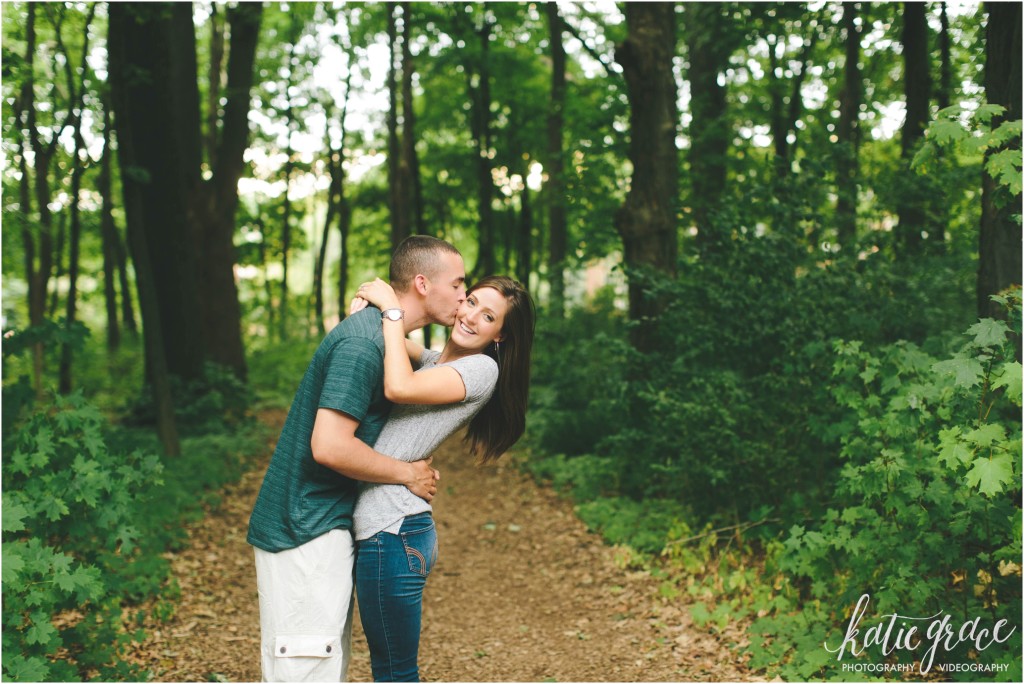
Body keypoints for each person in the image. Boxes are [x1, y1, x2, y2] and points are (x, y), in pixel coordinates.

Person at [246, 235, 468, 682]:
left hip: (323, 524)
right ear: (423, 284)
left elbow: (420, 364)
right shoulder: (364, 345)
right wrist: (407, 473)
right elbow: (328, 446)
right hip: (303, 528)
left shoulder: (379, 337)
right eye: (459, 284)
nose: (464, 295)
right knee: (307, 673)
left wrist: (387, 311)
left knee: (326, 668)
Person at [348, 274, 535, 682]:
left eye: (488, 316)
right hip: (391, 530)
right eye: (470, 302)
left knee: (395, 674)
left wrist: (392, 309)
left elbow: (398, 385)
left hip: (392, 533)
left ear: (500, 335)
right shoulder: (437, 361)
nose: (470, 316)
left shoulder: (482, 370)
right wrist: (370, 306)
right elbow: (388, 341)